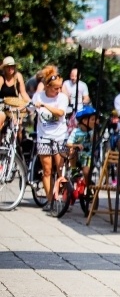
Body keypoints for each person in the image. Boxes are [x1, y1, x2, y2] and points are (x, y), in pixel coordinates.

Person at [32, 68, 70, 215]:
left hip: (59, 136)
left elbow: (60, 113)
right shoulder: (38, 96)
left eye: (60, 87)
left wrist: (44, 105)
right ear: (47, 86)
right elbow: (30, 109)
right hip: (44, 136)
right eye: (55, 88)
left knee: (60, 170)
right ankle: (50, 201)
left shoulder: (62, 98)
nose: (58, 91)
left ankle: (62, 199)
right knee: (47, 170)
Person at [66, 105, 98, 183]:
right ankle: (73, 170)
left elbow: (94, 140)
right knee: (71, 150)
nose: (95, 121)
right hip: (77, 155)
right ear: (84, 121)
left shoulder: (92, 131)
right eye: (93, 119)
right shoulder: (76, 131)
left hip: (87, 156)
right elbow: (68, 143)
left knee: (86, 172)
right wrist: (76, 145)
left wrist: (93, 132)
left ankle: (88, 186)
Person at [0, 56, 30, 132]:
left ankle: (19, 137)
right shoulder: (2, 78)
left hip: (15, 104)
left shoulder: (18, 76)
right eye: (8, 67)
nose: (10, 69)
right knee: (1, 118)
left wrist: (31, 102)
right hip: (3, 105)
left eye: (12, 66)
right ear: (4, 68)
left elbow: (23, 93)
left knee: (19, 125)